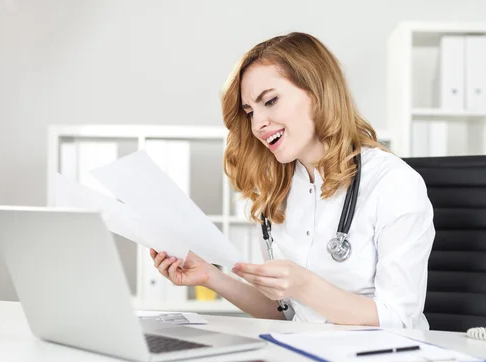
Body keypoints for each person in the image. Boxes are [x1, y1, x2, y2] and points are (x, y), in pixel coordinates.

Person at [150, 32, 435, 329]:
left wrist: (304, 285)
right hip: (306, 359)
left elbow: (399, 320)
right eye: (250, 112)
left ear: (317, 92)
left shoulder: (394, 184)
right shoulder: (278, 193)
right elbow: (287, 314)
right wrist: (210, 276)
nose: (258, 124)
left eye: (270, 101)